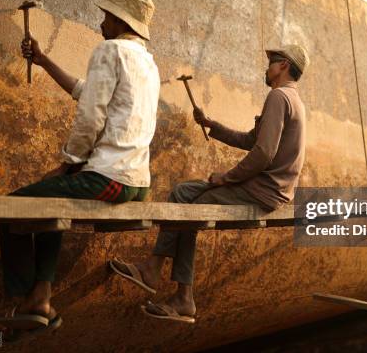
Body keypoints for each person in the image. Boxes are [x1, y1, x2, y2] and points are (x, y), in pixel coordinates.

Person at [0, 0, 160, 336]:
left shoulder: (110, 50)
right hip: (136, 183)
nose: (101, 22)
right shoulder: (147, 63)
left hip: (109, 178)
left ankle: (25, 299)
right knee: (53, 200)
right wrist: (43, 61)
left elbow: (90, 117)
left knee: (12, 208)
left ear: (119, 20)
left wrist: (69, 162)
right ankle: (41, 297)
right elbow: (85, 91)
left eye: (105, 17)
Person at [109, 45, 309, 323]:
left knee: (188, 200)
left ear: (283, 65)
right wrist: (211, 124)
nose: (266, 69)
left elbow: (263, 153)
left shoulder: (278, 96)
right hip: (273, 190)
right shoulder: (293, 100)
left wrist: (225, 178)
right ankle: (168, 283)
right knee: (185, 197)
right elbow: (252, 140)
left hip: (263, 191)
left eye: (271, 64)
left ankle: (167, 282)